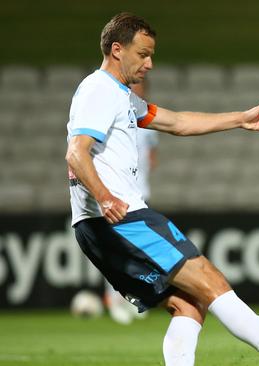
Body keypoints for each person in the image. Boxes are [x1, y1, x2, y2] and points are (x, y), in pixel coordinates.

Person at [65, 12, 259, 366]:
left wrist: (239, 119)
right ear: (117, 49)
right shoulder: (99, 90)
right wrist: (105, 196)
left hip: (99, 224)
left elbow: (178, 122)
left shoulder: (122, 98)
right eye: (143, 54)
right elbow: (76, 153)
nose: (150, 64)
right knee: (211, 281)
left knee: (189, 303)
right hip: (122, 219)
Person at [104, 80, 157, 325]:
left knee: (138, 250)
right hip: (118, 194)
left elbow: (151, 157)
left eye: (141, 88)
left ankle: (136, 296)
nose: (138, 90)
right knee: (118, 248)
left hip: (140, 193)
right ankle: (115, 299)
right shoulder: (112, 114)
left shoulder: (147, 122)